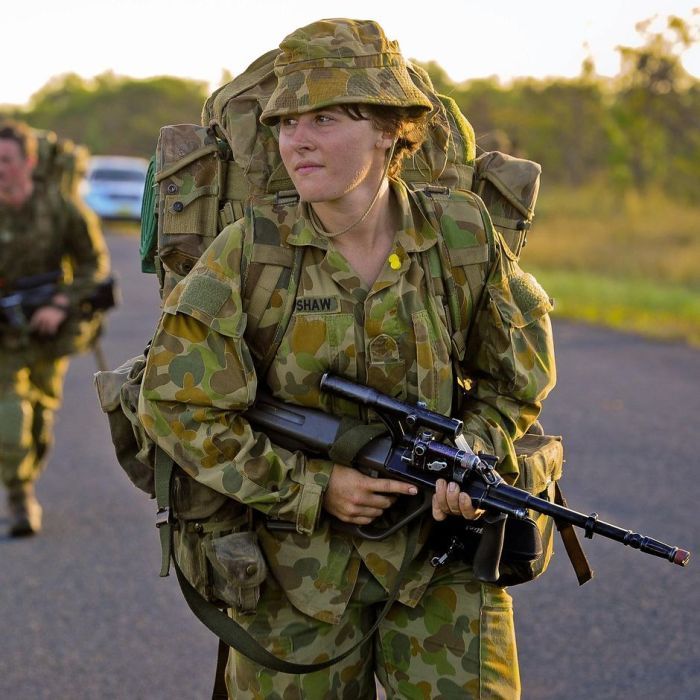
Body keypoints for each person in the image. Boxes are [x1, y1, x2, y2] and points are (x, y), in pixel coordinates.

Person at [138, 18, 555, 699]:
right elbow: (178, 408)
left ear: (390, 129)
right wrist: (311, 488)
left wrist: (471, 454)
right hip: (297, 574)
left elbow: (516, 379)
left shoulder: (460, 233)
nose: (297, 140)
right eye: (285, 122)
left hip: (440, 559)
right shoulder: (248, 251)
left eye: (324, 117)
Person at [0, 120, 110, 537]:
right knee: (9, 415)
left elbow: (92, 263)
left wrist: (60, 303)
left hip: (48, 332)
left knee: (41, 416)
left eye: (7, 161)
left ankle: (26, 475)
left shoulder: (59, 206)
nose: (0, 169)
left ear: (28, 163)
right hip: (4, 338)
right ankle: (19, 495)